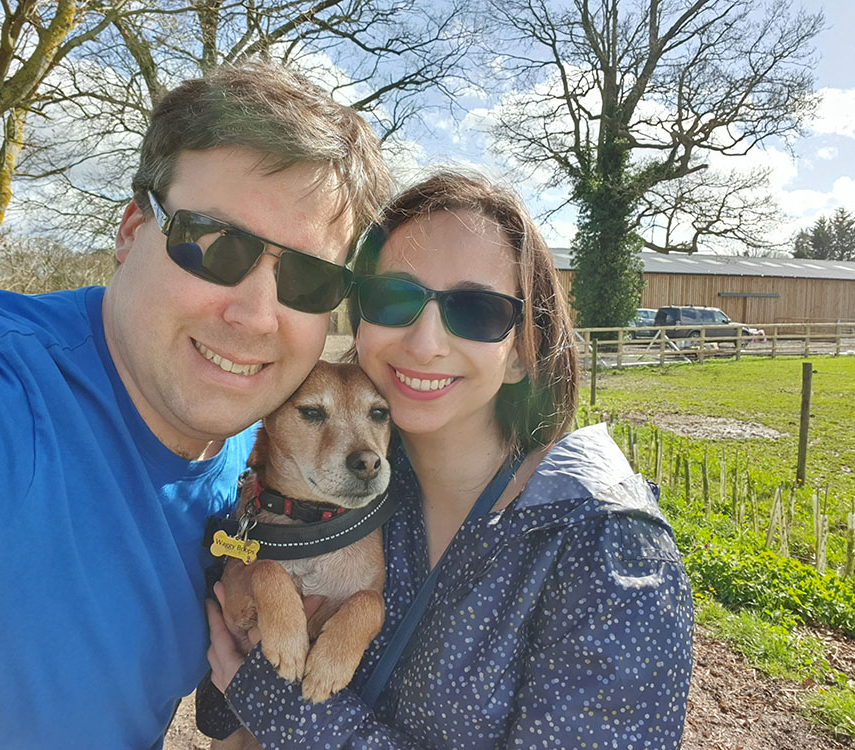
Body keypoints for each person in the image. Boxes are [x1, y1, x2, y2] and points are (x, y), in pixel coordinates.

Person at [0, 62, 391, 749]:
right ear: (133, 229)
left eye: (309, 278)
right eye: (215, 245)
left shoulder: (252, 443)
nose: (257, 317)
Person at [206, 170, 695, 748]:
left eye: (477, 310)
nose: (424, 343)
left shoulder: (610, 554)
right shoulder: (360, 488)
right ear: (360, 327)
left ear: (522, 353)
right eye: (393, 298)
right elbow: (221, 695)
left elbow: (256, 691)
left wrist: (282, 707)